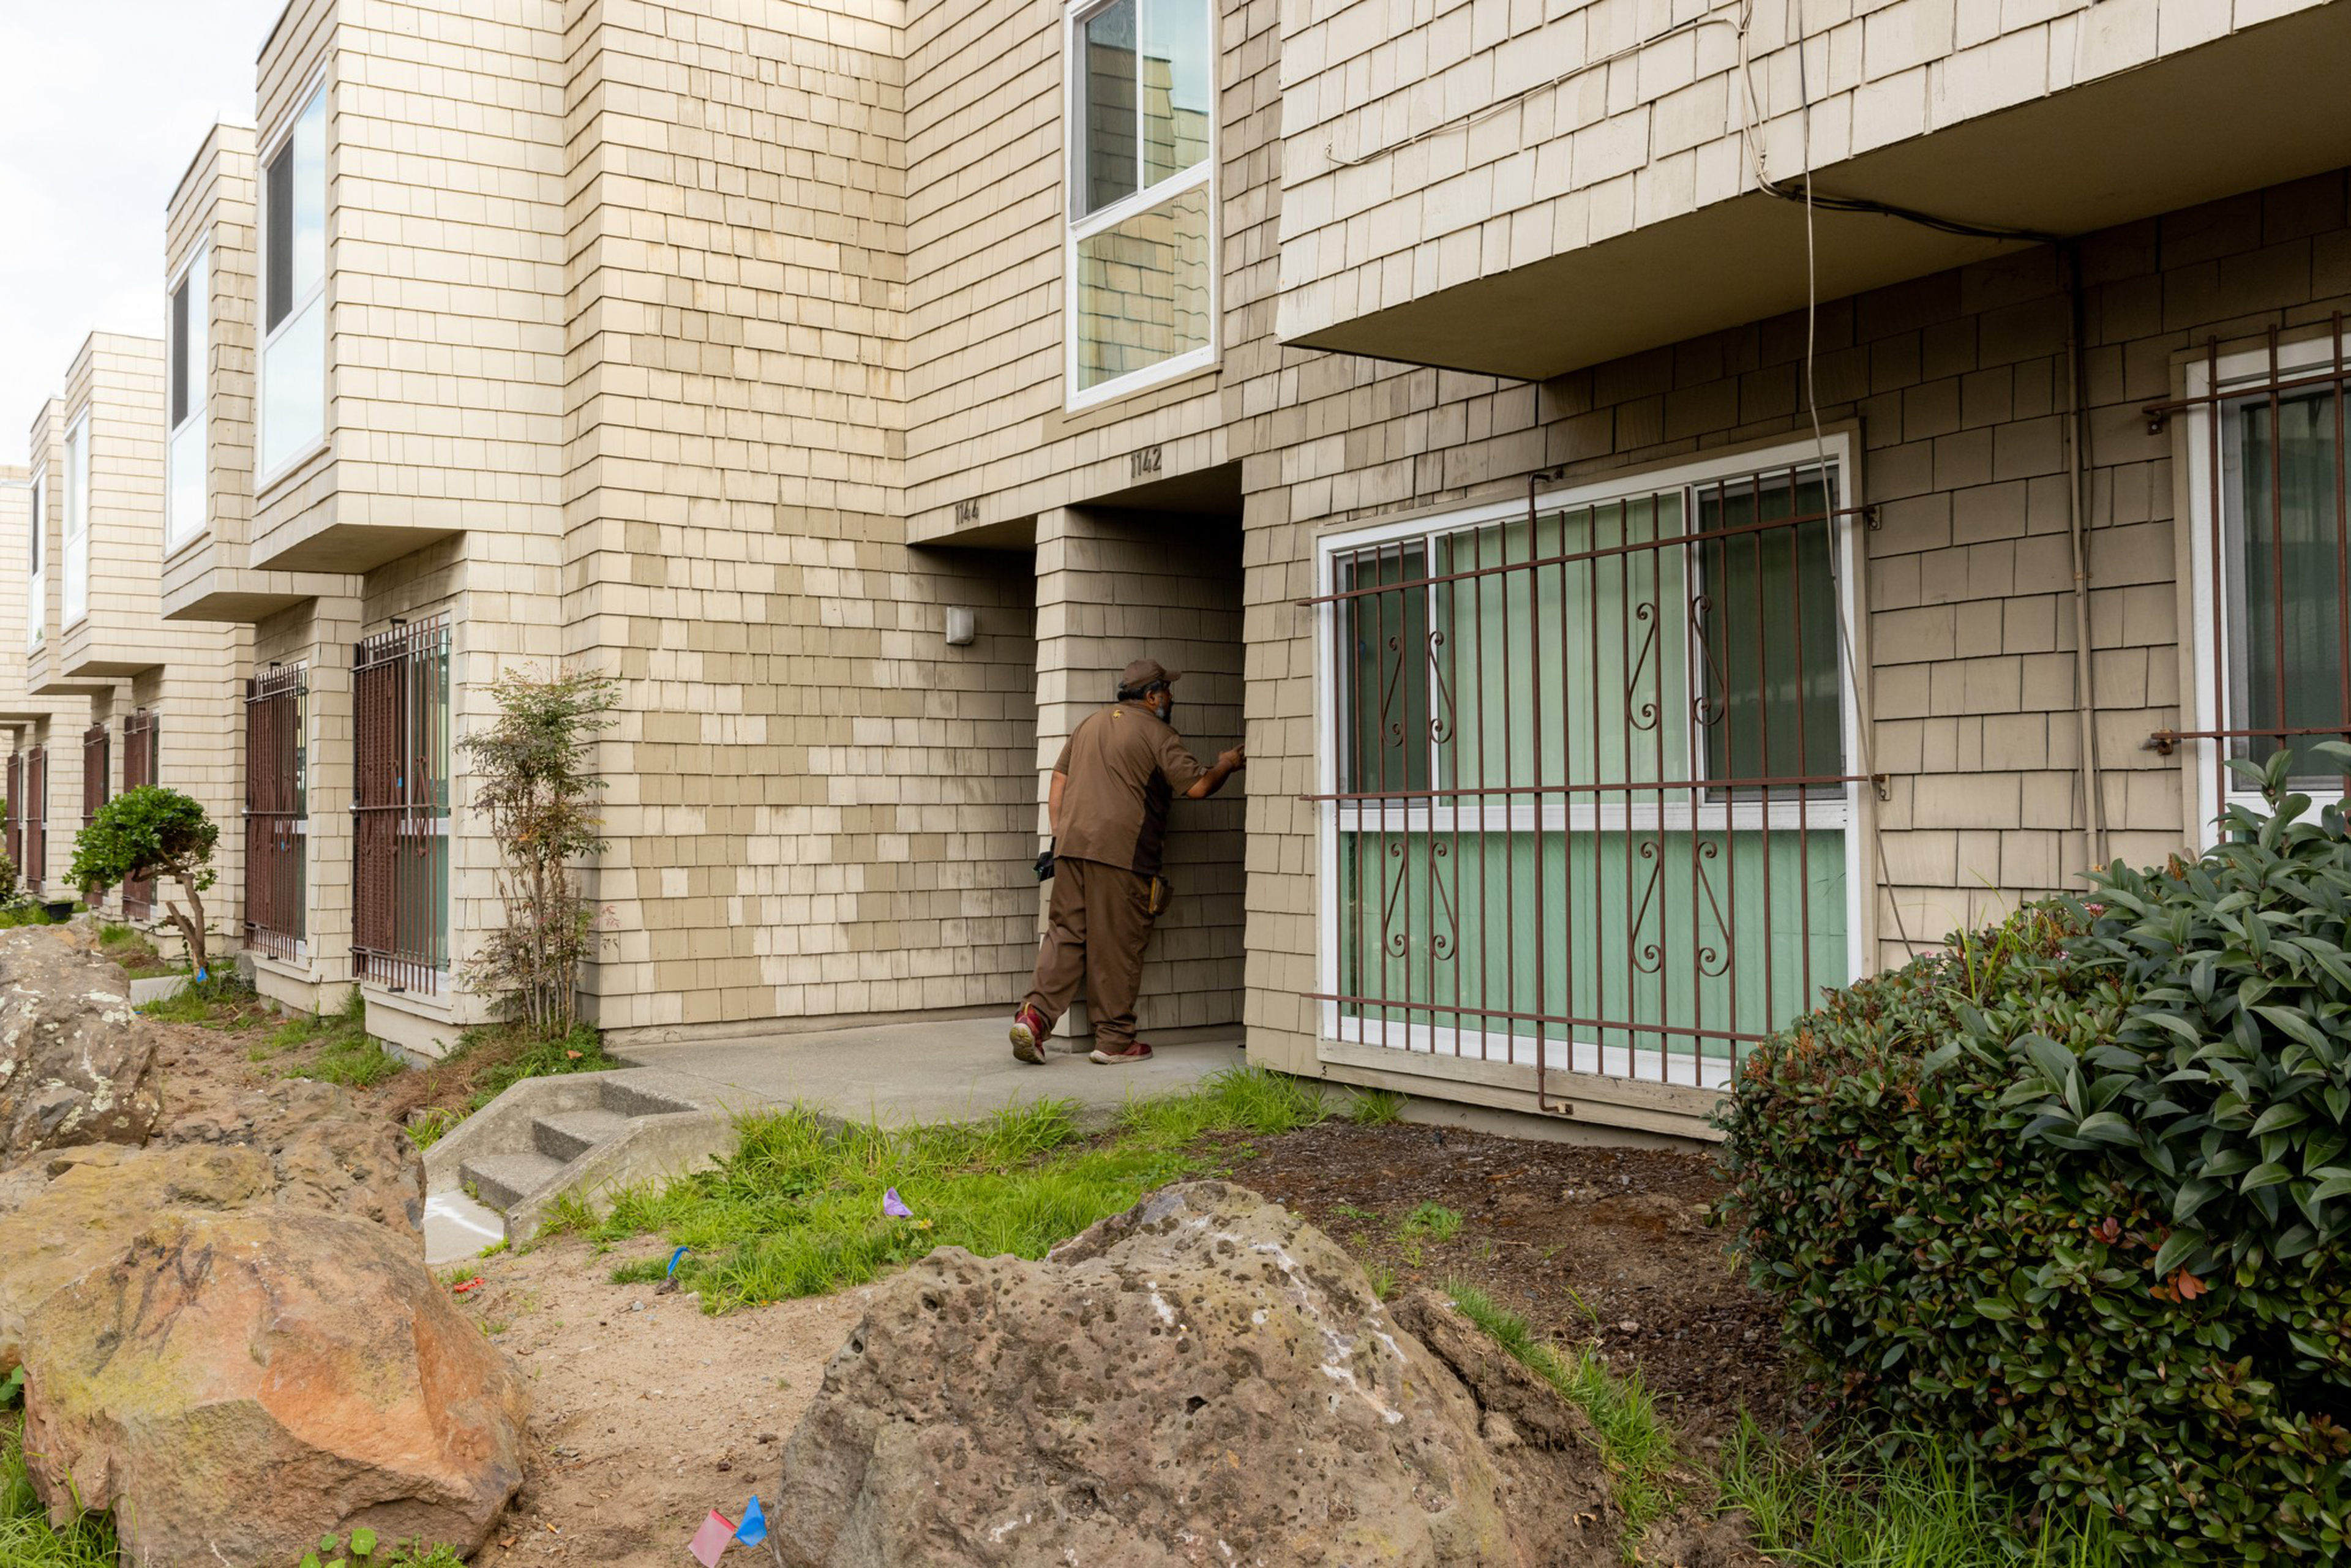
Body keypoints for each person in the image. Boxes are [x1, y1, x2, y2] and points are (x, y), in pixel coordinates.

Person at [1010, 658, 1244, 1065]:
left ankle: (1033, 1019)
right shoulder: (1158, 733)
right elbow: (1199, 786)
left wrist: (1059, 834)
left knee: (1064, 934)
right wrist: (1229, 762)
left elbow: (1059, 780)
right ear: (1152, 697)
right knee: (1116, 943)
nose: (1172, 696)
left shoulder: (1089, 724)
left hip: (1070, 847)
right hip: (1123, 855)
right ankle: (1115, 1040)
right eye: (1167, 690)